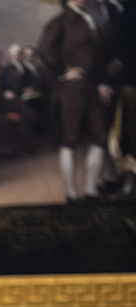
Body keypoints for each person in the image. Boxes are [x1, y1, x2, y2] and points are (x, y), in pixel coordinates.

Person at [39, 0, 113, 202]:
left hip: (91, 87)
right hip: (70, 90)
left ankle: (90, 190)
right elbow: (44, 51)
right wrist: (62, 74)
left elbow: (98, 56)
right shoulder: (60, 22)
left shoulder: (92, 18)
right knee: (69, 140)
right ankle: (71, 194)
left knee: (100, 137)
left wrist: (102, 82)